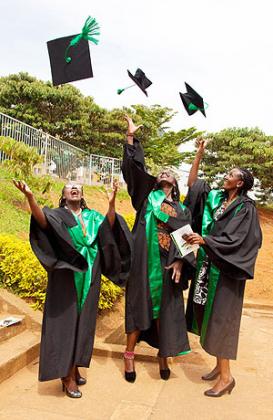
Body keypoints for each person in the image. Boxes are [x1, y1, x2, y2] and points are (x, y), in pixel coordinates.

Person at [13, 180, 132, 398]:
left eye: (77, 186)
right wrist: (30, 197)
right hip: (67, 276)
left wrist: (112, 203)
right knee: (66, 323)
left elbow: (108, 228)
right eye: (69, 186)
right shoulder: (58, 215)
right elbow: (42, 223)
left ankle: (75, 366)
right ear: (64, 193)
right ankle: (66, 376)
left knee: (84, 322)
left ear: (82, 193)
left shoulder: (93, 216)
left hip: (90, 275)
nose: (74, 188)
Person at [184, 140, 262, 397]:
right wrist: (199, 153)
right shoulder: (218, 198)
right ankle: (219, 367)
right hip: (208, 266)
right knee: (207, 314)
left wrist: (205, 240)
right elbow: (193, 185)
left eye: (231, 175)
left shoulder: (245, 209)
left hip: (227, 272)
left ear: (240, 183)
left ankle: (227, 378)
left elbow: (240, 240)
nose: (226, 176)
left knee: (222, 320)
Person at [121, 115, 195, 382]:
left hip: (166, 266)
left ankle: (163, 355)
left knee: (165, 311)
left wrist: (179, 262)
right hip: (142, 263)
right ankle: (128, 356)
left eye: (169, 173)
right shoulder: (145, 197)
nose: (164, 173)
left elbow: (185, 238)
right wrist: (130, 138)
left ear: (175, 184)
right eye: (161, 172)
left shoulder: (181, 209)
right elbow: (134, 170)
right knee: (138, 308)